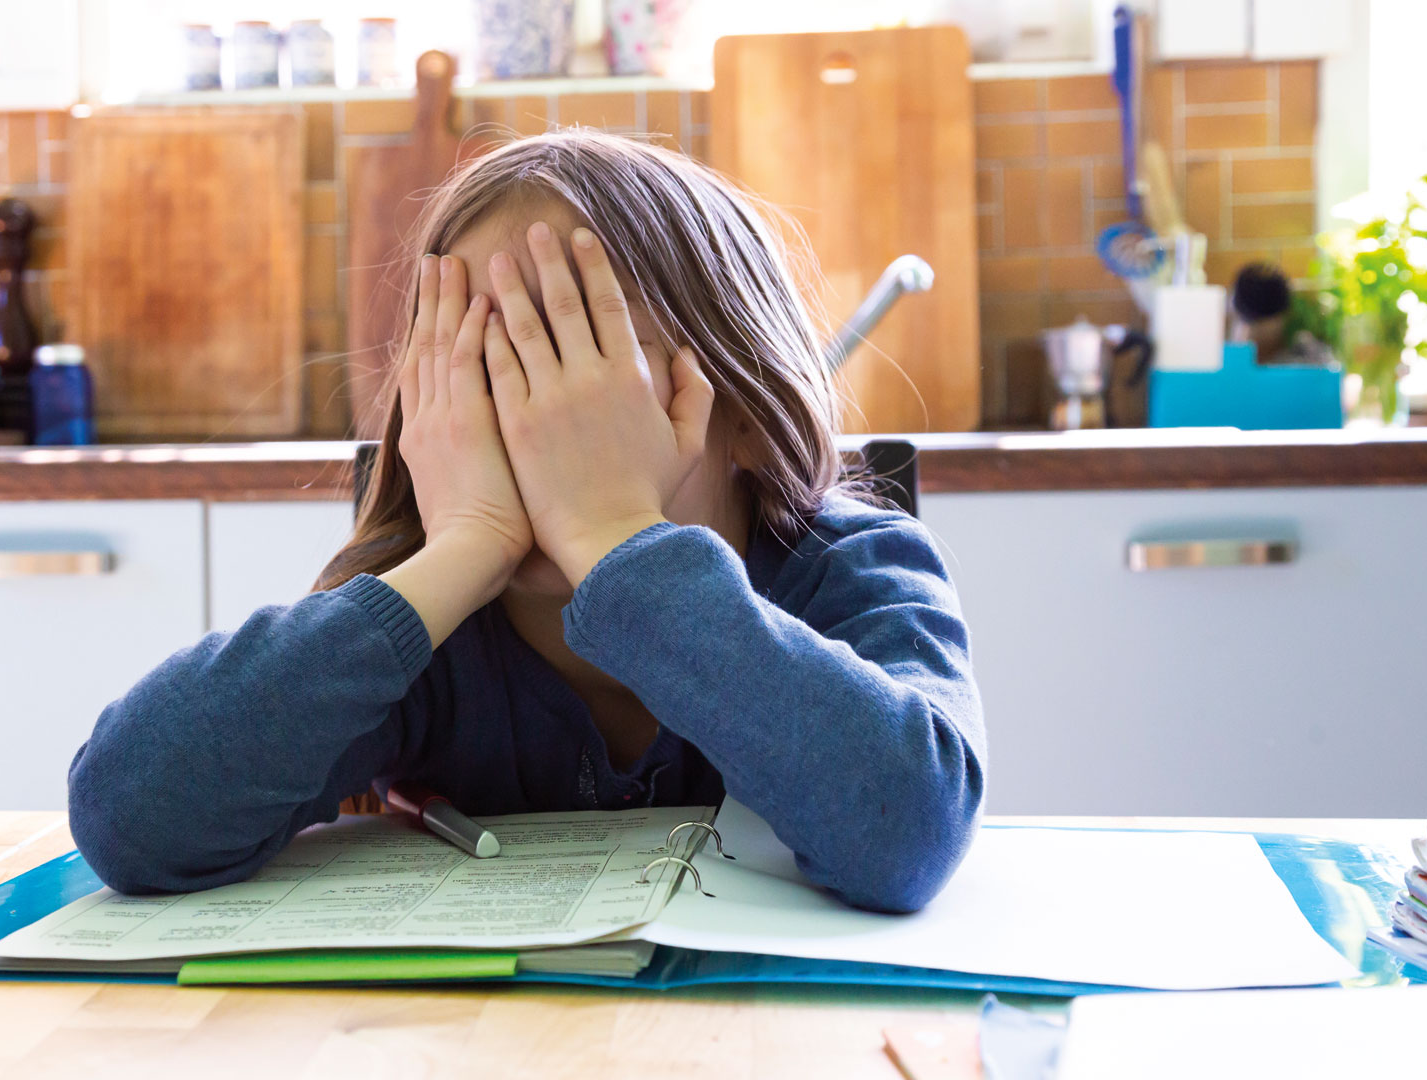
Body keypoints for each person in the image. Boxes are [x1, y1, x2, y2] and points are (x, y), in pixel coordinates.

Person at [67, 130, 984, 914]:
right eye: (479, 376)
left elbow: (908, 834)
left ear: (743, 414)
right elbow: (129, 817)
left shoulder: (853, 566)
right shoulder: (427, 622)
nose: (525, 429)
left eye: (575, 375)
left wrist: (621, 541)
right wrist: (459, 547)